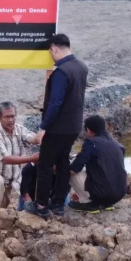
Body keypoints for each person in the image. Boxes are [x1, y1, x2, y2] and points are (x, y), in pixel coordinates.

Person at [34, 34, 88, 219]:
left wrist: (43, 127)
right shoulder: (81, 67)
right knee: (63, 163)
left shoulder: (61, 72)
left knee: (45, 165)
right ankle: (58, 204)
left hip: (57, 128)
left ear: (54, 48)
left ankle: (40, 205)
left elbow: (55, 103)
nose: (50, 56)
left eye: (50, 51)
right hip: (74, 126)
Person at [0, 101, 39, 211]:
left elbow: (32, 138)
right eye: (7, 117)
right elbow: (5, 159)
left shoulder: (19, 129)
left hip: (9, 181)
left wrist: (41, 138)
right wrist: (32, 158)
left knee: (2, 210)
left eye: (13, 116)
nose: (11, 120)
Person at [67, 115, 129, 213]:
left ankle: (88, 202)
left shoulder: (91, 143)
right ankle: (106, 203)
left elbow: (75, 167)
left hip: (102, 194)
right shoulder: (117, 144)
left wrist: (58, 170)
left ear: (89, 130)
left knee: (69, 170)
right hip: (119, 194)